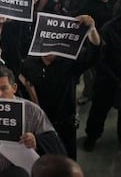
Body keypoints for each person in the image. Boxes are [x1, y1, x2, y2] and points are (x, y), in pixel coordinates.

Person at [20, 15, 101, 160]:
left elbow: (94, 53)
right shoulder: (29, 64)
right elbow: (26, 85)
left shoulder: (69, 62)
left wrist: (92, 30)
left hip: (65, 124)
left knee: (67, 160)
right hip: (41, 125)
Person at [84, 0, 121, 151]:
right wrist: (118, 81)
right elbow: (100, 61)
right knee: (99, 111)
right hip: (107, 81)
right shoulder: (108, 30)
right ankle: (92, 137)